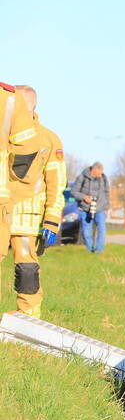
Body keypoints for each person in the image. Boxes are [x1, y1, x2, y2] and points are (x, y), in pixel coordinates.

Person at [0, 84, 65, 317]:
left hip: (25, 217)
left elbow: (57, 183)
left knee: (26, 265)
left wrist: (51, 220)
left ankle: (28, 316)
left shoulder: (48, 139)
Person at [69, 161, 109, 253]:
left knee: (102, 230)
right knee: (86, 232)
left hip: (100, 208)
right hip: (85, 208)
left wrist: (107, 207)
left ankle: (99, 251)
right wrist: (84, 197)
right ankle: (90, 250)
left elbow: (107, 193)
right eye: (98, 173)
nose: (100, 175)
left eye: (101, 173)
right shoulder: (82, 177)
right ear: (93, 170)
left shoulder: (103, 177)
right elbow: (73, 192)